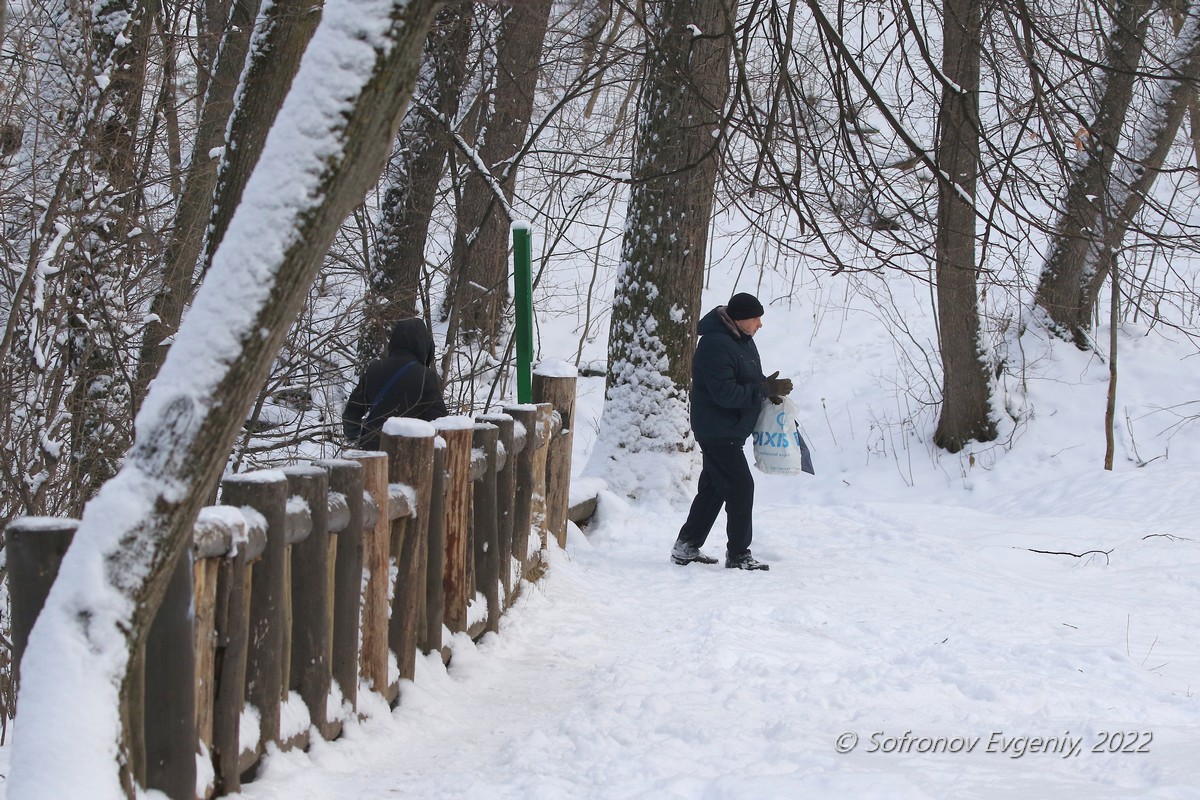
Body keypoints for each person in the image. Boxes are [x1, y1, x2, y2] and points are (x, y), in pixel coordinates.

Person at [671, 292, 793, 571]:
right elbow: (725, 393)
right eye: (756, 318)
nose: (760, 324)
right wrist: (764, 390)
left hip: (730, 428)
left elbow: (740, 379)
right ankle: (739, 554)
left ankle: (685, 547)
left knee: (714, 490)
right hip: (718, 430)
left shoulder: (741, 340)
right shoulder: (715, 344)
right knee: (740, 487)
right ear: (739, 319)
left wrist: (765, 388)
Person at [343, 317, 449, 451]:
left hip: (371, 451)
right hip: (410, 453)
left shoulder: (374, 369)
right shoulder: (426, 376)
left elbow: (351, 415)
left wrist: (355, 438)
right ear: (424, 345)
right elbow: (439, 422)